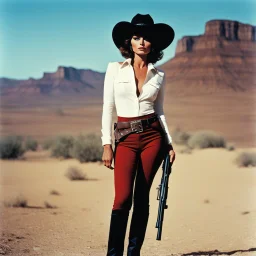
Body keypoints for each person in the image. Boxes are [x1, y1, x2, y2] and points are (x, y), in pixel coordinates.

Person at [101, 13, 176, 256]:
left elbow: (160, 111)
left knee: (142, 198)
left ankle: (134, 253)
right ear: (129, 43)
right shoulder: (115, 70)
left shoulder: (160, 75)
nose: (142, 42)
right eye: (136, 37)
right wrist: (106, 144)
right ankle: (114, 254)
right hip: (125, 139)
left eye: (146, 38)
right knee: (122, 198)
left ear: (153, 44)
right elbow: (108, 109)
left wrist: (170, 143)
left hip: (153, 138)